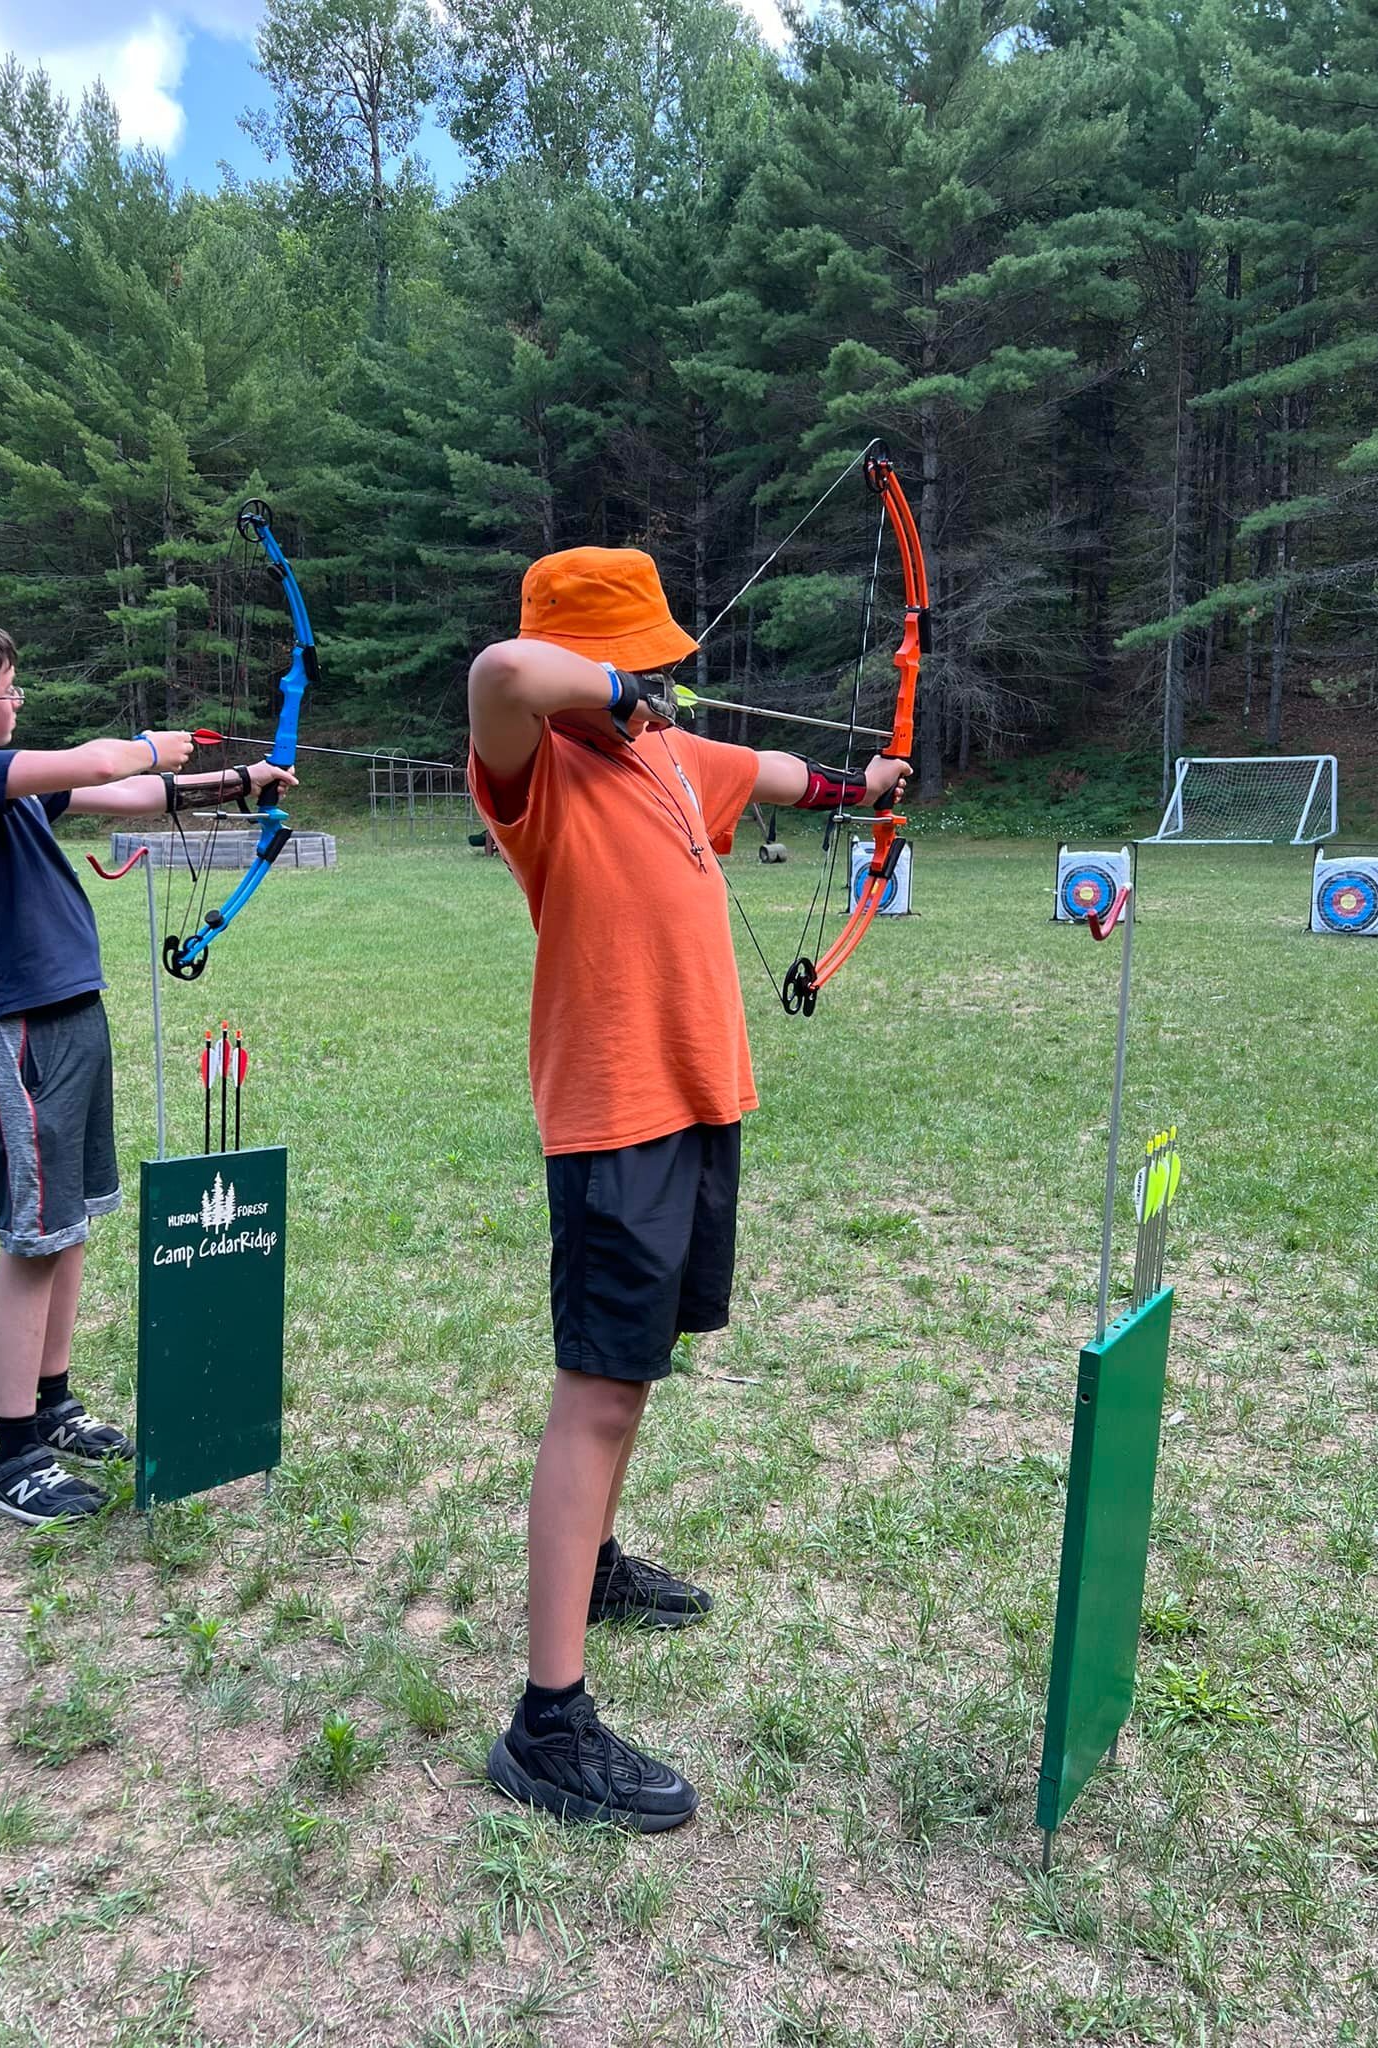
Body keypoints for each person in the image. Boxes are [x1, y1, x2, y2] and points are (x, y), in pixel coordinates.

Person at [467, 546, 909, 1831]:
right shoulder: (537, 772)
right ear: (598, 665)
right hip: (614, 1116)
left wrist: (863, 781)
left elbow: (783, 773)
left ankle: (593, 1566)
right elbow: (502, 671)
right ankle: (548, 1725)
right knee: (598, 1386)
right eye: (639, 659)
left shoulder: (671, 759)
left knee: (637, 1367)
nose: (659, 679)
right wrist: (604, 689)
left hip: (699, 1098)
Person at [0, 620, 297, 1525]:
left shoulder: (14, 793)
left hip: (71, 1011)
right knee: (34, 1236)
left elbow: (122, 795)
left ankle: (51, 1402)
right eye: (7, 690)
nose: (17, 700)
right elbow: (95, 758)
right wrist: (150, 743)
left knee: (70, 1223)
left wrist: (240, 781)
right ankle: (10, 1454)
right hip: (18, 1024)